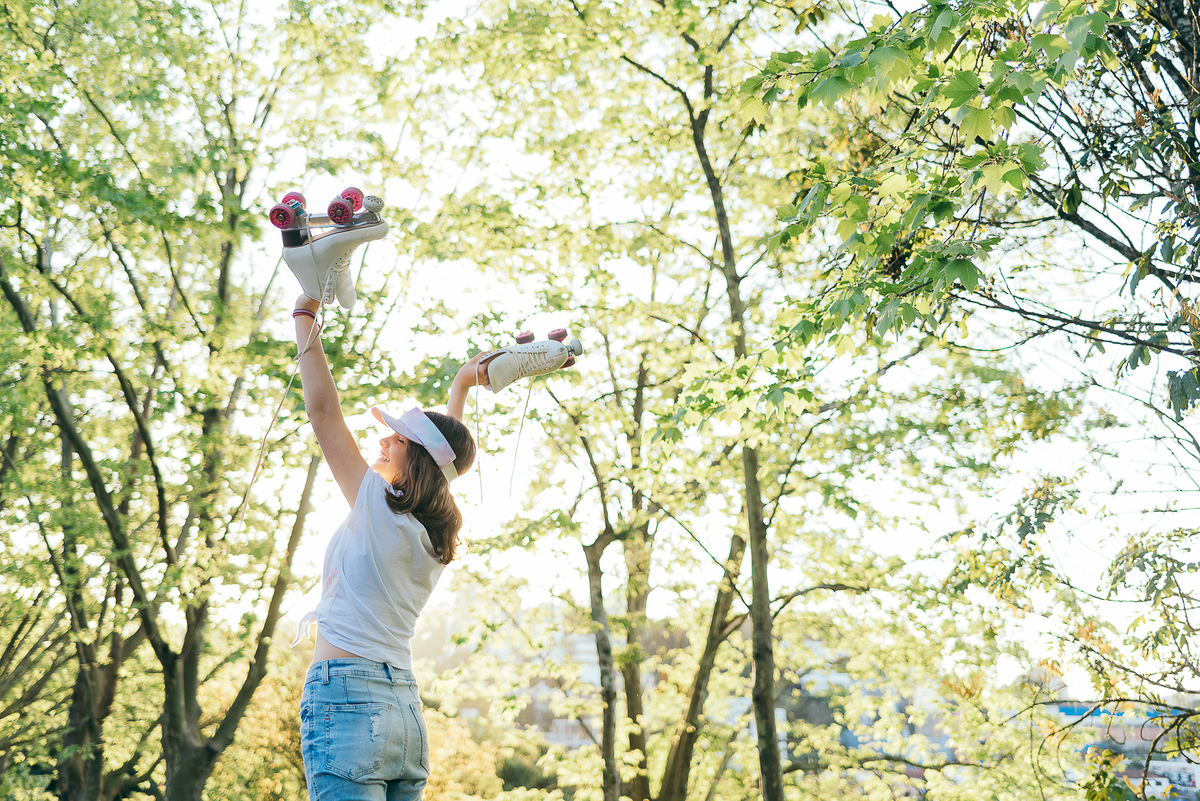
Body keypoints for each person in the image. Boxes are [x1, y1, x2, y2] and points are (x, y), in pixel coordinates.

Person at [289, 290, 488, 800]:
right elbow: (447, 457)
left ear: (414, 458)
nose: (382, 442)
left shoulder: (379, 506)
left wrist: (305, 315)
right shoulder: (433, 531)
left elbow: (323, 414)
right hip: (402, 714)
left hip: (349, 701)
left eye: (395, 438)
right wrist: (460, 385)